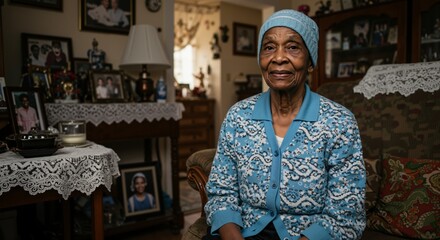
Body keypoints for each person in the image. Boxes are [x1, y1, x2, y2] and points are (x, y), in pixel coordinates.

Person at [204, 9, 366, 240]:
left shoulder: (339, 122)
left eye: (292, 47)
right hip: (243, 233)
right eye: (269, 47)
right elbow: (221, 193)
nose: (278, 57)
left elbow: (346, 212)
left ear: (310, 62)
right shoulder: (237, 117)